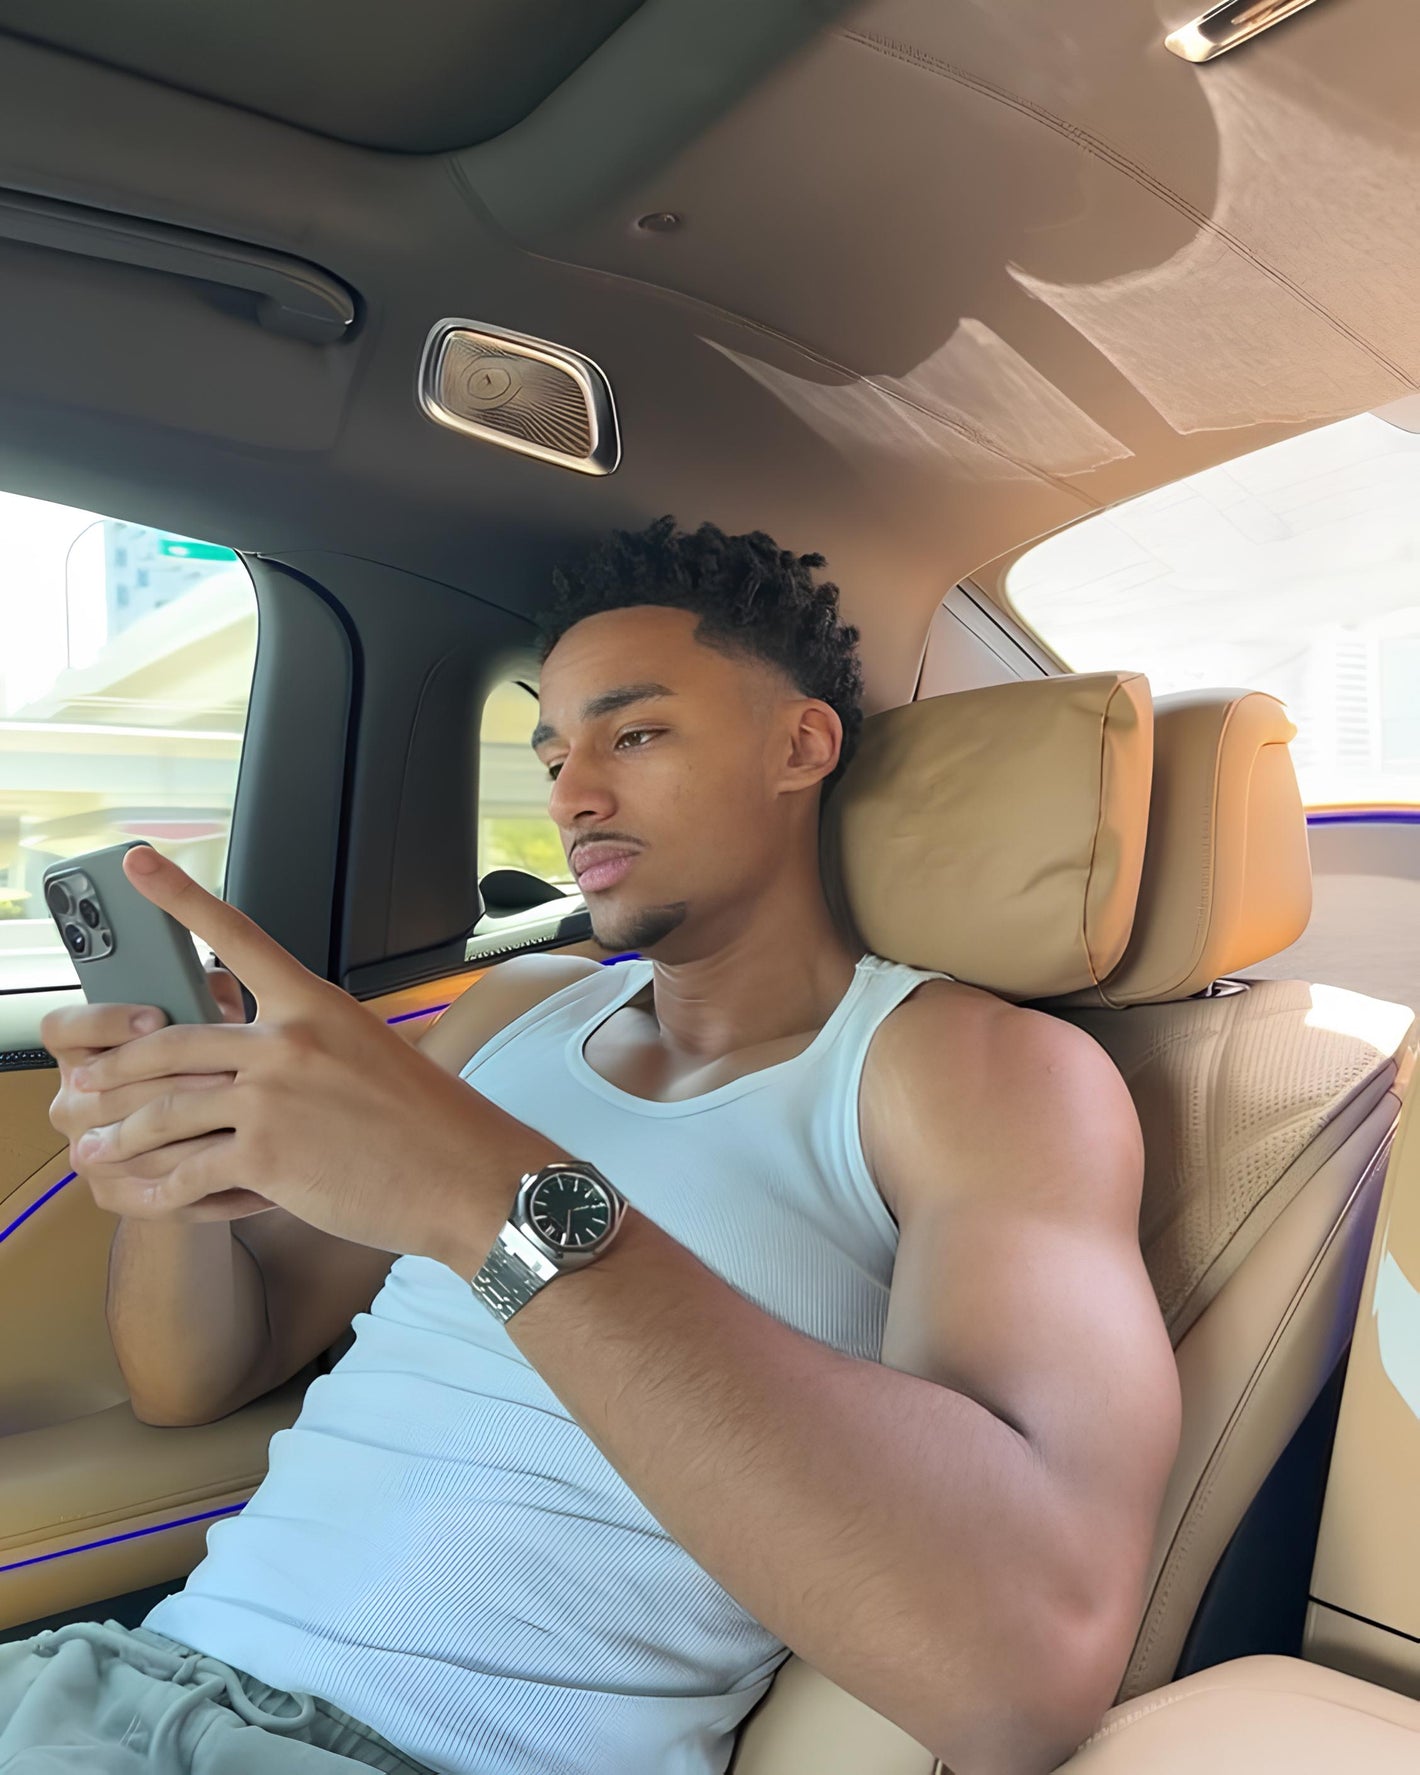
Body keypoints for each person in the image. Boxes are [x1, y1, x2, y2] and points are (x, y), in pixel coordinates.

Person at [26, 517, 1180, 1775]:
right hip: (117, 1681)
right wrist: (166, 1143)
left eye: (634, 735)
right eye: (553, 751)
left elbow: (1024, 1671)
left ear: (800, 744)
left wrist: (493, 1203)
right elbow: (195, 1375)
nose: (571, 795)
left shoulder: (972, 1071)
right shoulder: (519, 1008)